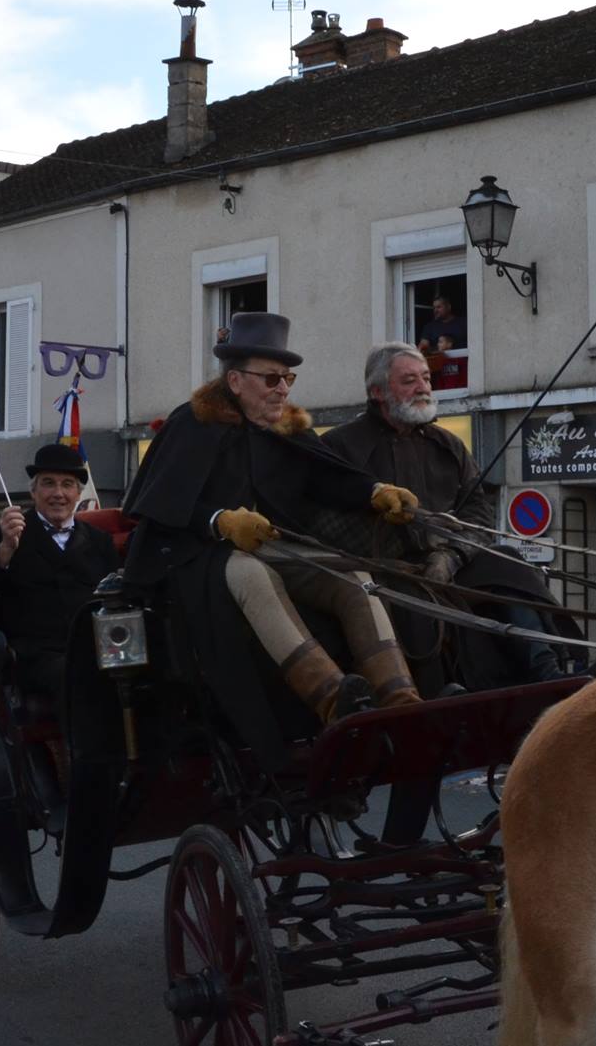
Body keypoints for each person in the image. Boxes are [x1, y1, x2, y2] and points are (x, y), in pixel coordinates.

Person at [122, 312, 422, 755]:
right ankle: (333, 699)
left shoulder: (288, 430)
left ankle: (401, 701)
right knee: (249, 573)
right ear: (236, 381)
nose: (282, 388)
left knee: (355, 580)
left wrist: (375, 491)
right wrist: (220, 520)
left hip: (277, 549)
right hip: (198, 560)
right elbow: (160, 503)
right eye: (271, 379)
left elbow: (329, 479)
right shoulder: (193, 423)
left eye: (287, 378)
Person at [323, 342, 581, 686]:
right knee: (412, 606)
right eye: (409, 380)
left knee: (508, 563)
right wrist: (406, 539)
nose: (423, 388)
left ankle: (547, 669)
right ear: (378, 391)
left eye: (426, 379)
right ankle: (433, 694)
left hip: (451, 562)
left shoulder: (448, 446)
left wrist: (452, 554)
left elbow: (478, 514)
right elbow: (326, 522)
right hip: (385, 568)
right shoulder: (340, 447)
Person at [0, 443, 122, 702]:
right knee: (78, 679)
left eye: (67, 484)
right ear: (34, 492)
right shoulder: (3, 534)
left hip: (99, 650)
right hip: (35, 660)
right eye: (48, 483)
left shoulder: (100, 541)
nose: (58, 493)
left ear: (78, 494)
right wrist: (4, 551)